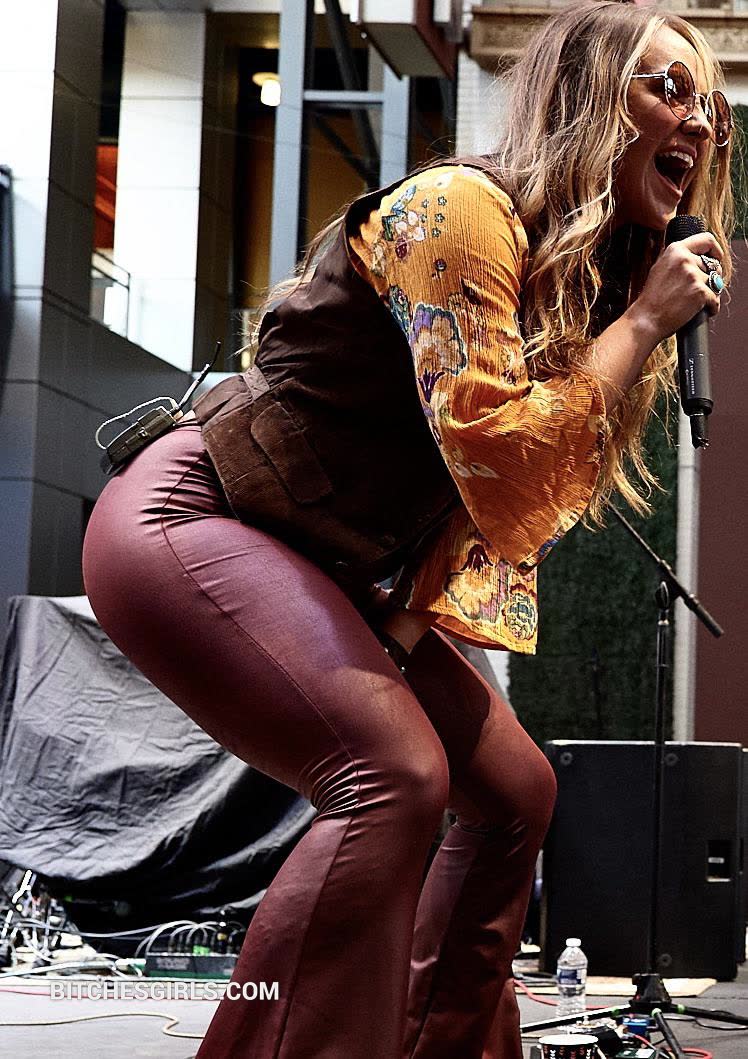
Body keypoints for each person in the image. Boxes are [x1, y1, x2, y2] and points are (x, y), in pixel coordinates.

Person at [82, 3, 733, 1056]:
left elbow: (492, 520)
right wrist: (645, 321)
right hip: (192, 513)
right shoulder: (461, 210)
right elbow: (503, 456)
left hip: (320, 564)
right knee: (392, 772)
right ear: (584, 99)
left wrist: (397, 636)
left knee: (513, 791)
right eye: (667, 88)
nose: (698, 121)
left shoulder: (578, 295)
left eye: (711, 106)